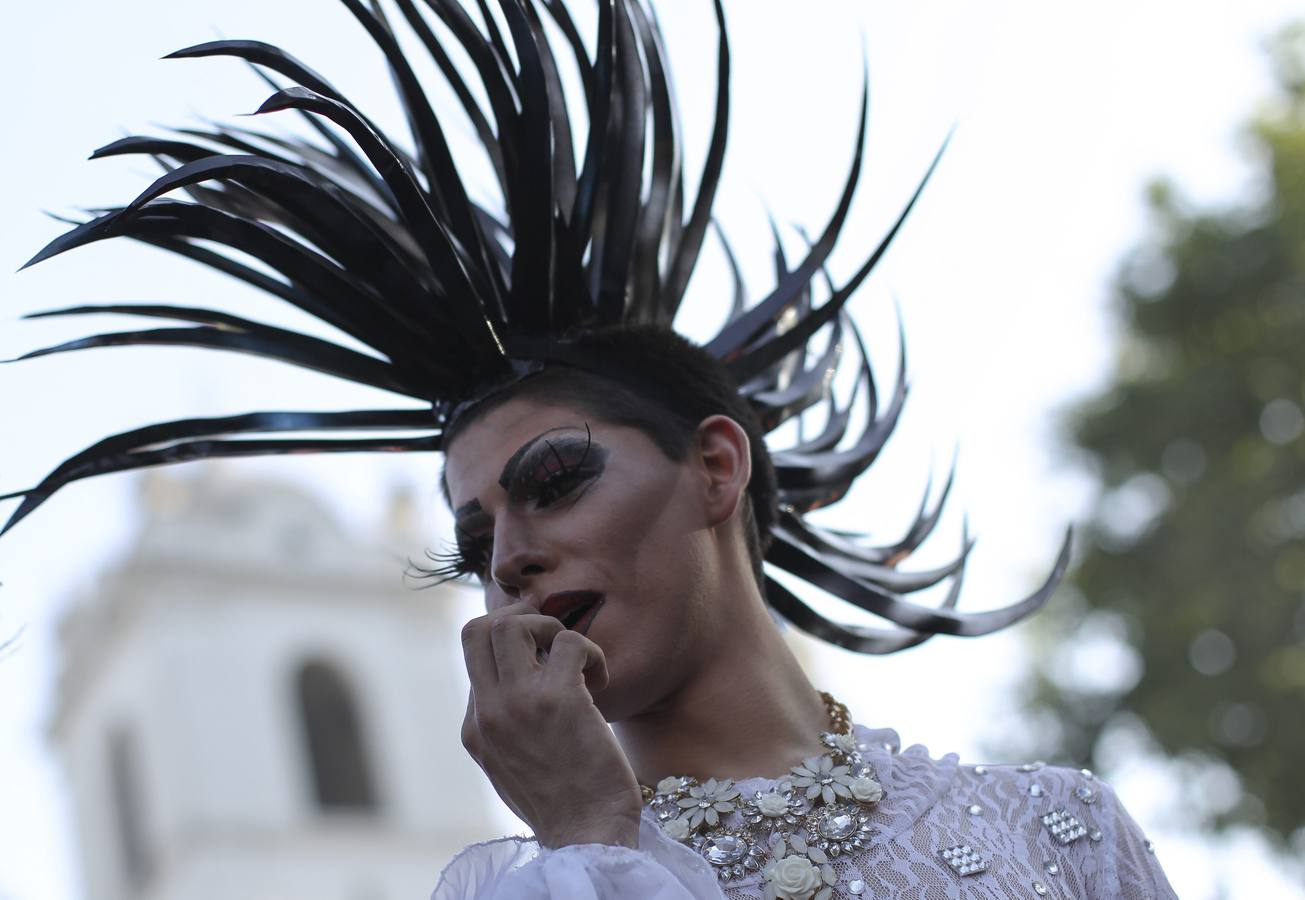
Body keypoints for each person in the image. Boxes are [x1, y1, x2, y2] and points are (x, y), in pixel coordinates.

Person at [6, 1, 1176, 897]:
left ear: (717, 468)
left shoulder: (1055, 828)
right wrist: (588, 841)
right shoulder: (504, 887)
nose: (511, 555)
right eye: (473, 542)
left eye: (554, 482)